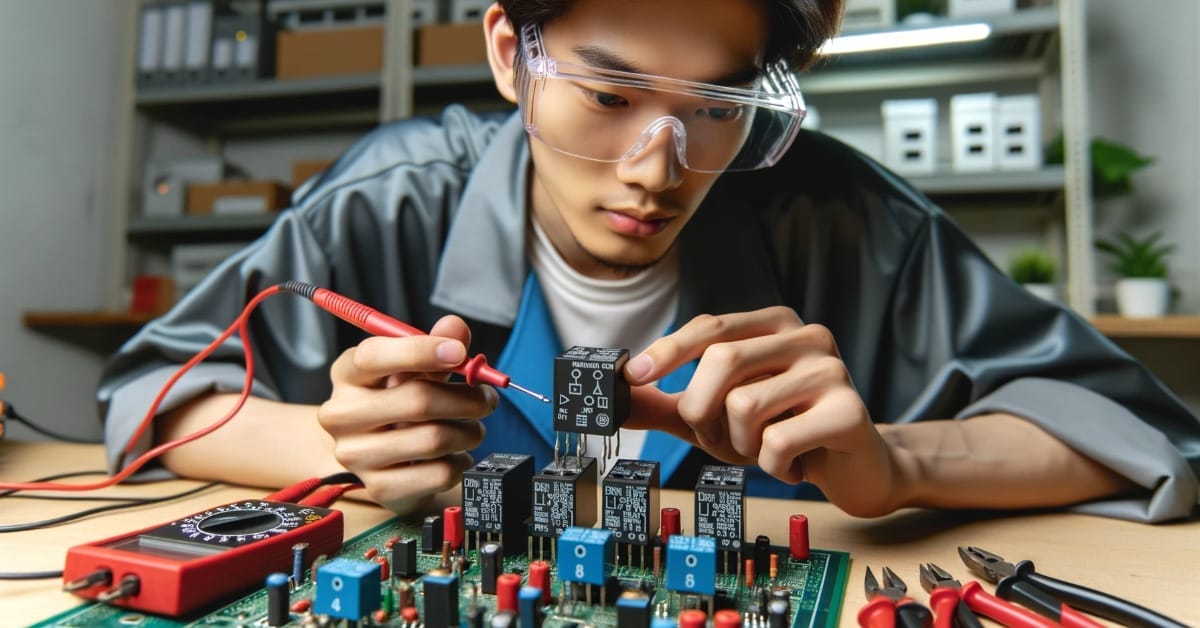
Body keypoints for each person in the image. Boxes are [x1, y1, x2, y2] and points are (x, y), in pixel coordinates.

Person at [98, 0, 1199, 523]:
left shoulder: (846, 218)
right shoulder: (398, 194)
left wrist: (896, 464)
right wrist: (326, 438)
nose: (654, 169)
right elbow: (151, 393)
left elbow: (1140, 434)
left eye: (714, 111)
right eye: (611, 97)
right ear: (509, 58)